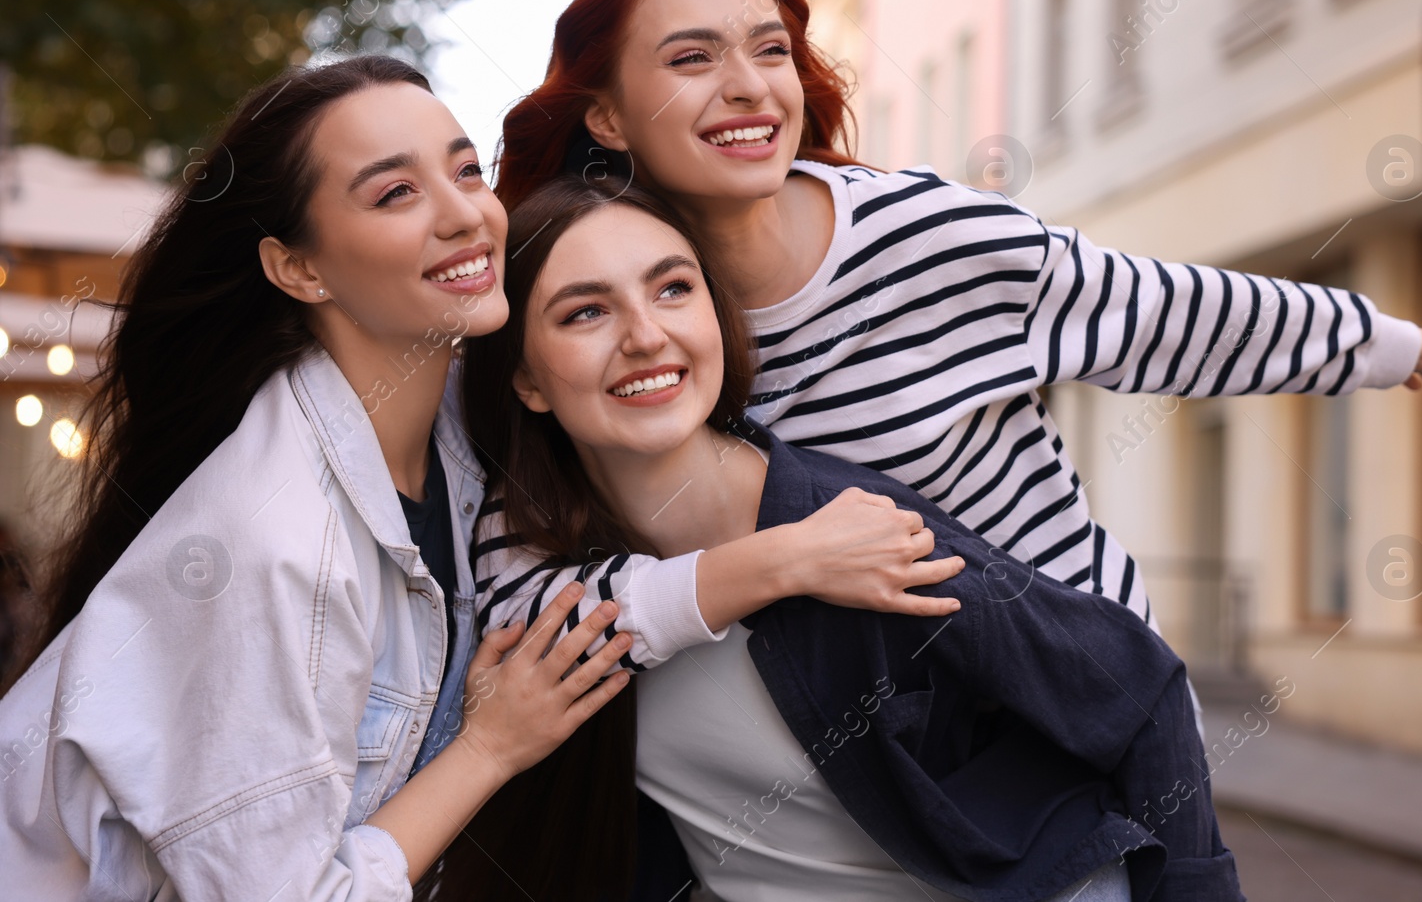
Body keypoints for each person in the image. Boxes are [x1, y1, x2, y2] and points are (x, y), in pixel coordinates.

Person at [0, 53, 960, 899]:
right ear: (298, 268)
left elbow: (586, 582)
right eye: (394, 193)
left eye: (465, 171)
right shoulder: (271, 542)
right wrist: (491, 746)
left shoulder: (462, 424)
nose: (466, 214)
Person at [489, 0, 1422, 657]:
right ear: (608, 118)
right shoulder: (615, 315)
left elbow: (1159, 312)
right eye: (691, 58)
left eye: (769, 49)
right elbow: (521, 570)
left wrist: (1390, 342)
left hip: (1078, 692)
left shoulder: (928, 236)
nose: (751, 86)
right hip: (878, 762)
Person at [461, 174, 1243, 901]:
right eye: (585, 311)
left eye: (673, 288)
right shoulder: (546, 580)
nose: (643, 335)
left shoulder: (857, 536)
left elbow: (1138, 687)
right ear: (525, 377)